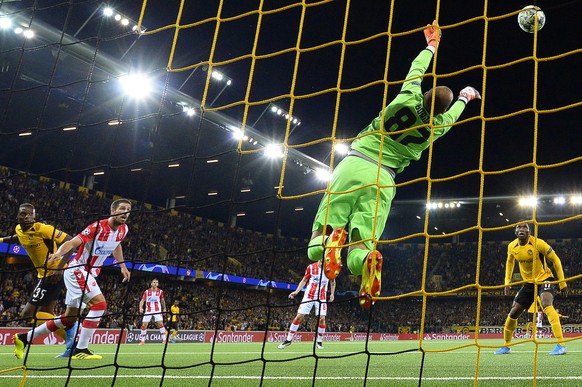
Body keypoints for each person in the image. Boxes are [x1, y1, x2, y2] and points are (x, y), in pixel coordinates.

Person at [306, 21, 482, 309]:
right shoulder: (435, 127)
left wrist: (432, 44)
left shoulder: (407, 96)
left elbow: (417, 67)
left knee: (325, 227)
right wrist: (466, 96)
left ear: (425, 93)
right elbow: (452, 117)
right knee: (363, 244)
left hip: (356, 162)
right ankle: (365, 261)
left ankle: (325, 247)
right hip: (384, 181)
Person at [13, 199, 132, 360]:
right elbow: (72, 242)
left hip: (91, 273)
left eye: (128, 210)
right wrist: (58, 254)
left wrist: (122, 265)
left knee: (70, 318)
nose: (125, 212)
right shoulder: (97, 227)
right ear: (113, 211)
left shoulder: (123, 230)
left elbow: (116, 244)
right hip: (79, 269)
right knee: (100, 304)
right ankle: (81, 348)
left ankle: (23, 338)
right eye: (122, 209)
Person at [0, 203, 78, 358]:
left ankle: (70, 327)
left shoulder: (44, 229)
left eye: (30, 214)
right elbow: (19, 237)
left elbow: (72, 243)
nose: (27, 217)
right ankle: (71, 342)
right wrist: (2, 239)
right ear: (18, 216)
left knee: (27, 314)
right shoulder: (18, 229)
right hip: (43, 275)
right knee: (46, 313)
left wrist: (60, 267)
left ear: (34, 216)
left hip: (54, 274)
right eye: (23, 214)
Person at [494, 222, 569, 356]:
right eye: (519, 227)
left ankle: (561, 344)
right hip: (528, 283)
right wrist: (507, 281)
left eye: (525, 227)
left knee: (546, 304)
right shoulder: (512, 246)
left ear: (529, 232)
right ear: (515, 231)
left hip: (545, 278)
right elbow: (510, 262)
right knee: (514, 312)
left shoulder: (539, 243)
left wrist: (562, 283)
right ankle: (506, 346)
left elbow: (555, 260)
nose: (521, 229)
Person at [278, 260, 336, 350]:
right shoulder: (311, 267)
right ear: (319, 260)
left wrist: (332, 294)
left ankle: (319, 341)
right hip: (309, 296)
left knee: (322, 318)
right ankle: (288, 340)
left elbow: (332, 282)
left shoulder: (330, 268)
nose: (322, 263)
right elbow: (304, 280)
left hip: (321, 297)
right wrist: (296, 292)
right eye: (321, 261)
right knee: (298, 317)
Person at [138, 278, 167, 345]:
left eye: (156, 282)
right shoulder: (147, 292)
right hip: (148, 310)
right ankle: (142, 341)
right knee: (144, 325)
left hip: (157, 310)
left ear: (158, 284)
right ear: (151, 283)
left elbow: (162, 300)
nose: (155, 283)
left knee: (160, 324)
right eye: (154, 282)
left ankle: (165, 340)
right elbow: (142, 301)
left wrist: (164, 308)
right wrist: (140, 308)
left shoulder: (160, 291)